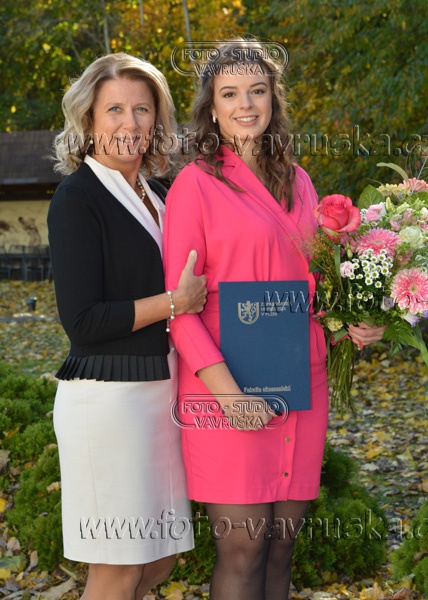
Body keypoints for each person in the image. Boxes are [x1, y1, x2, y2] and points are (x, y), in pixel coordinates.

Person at [163, 39, 385, 600]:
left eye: (257, 91)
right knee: (243, 550)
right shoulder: (195, 184)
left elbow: (318, 285)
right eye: (230, 93)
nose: (245, 104)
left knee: (282, 545)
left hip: (300, 381)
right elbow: (180, 310)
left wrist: (356, 322)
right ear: (211, 107)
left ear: (273, 99)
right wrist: (231, 398)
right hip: (225, 387)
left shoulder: (300, 181)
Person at [47, 53, 207, 600]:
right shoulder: (77, 198)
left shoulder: (161, 194)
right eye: (114, 109)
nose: (130, 122)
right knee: (117, 569)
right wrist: (174, 303)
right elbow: (83, 321)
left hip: (164, 396)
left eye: (142, 109)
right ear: (88, 119)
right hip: (109, 405)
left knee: (160, 559)